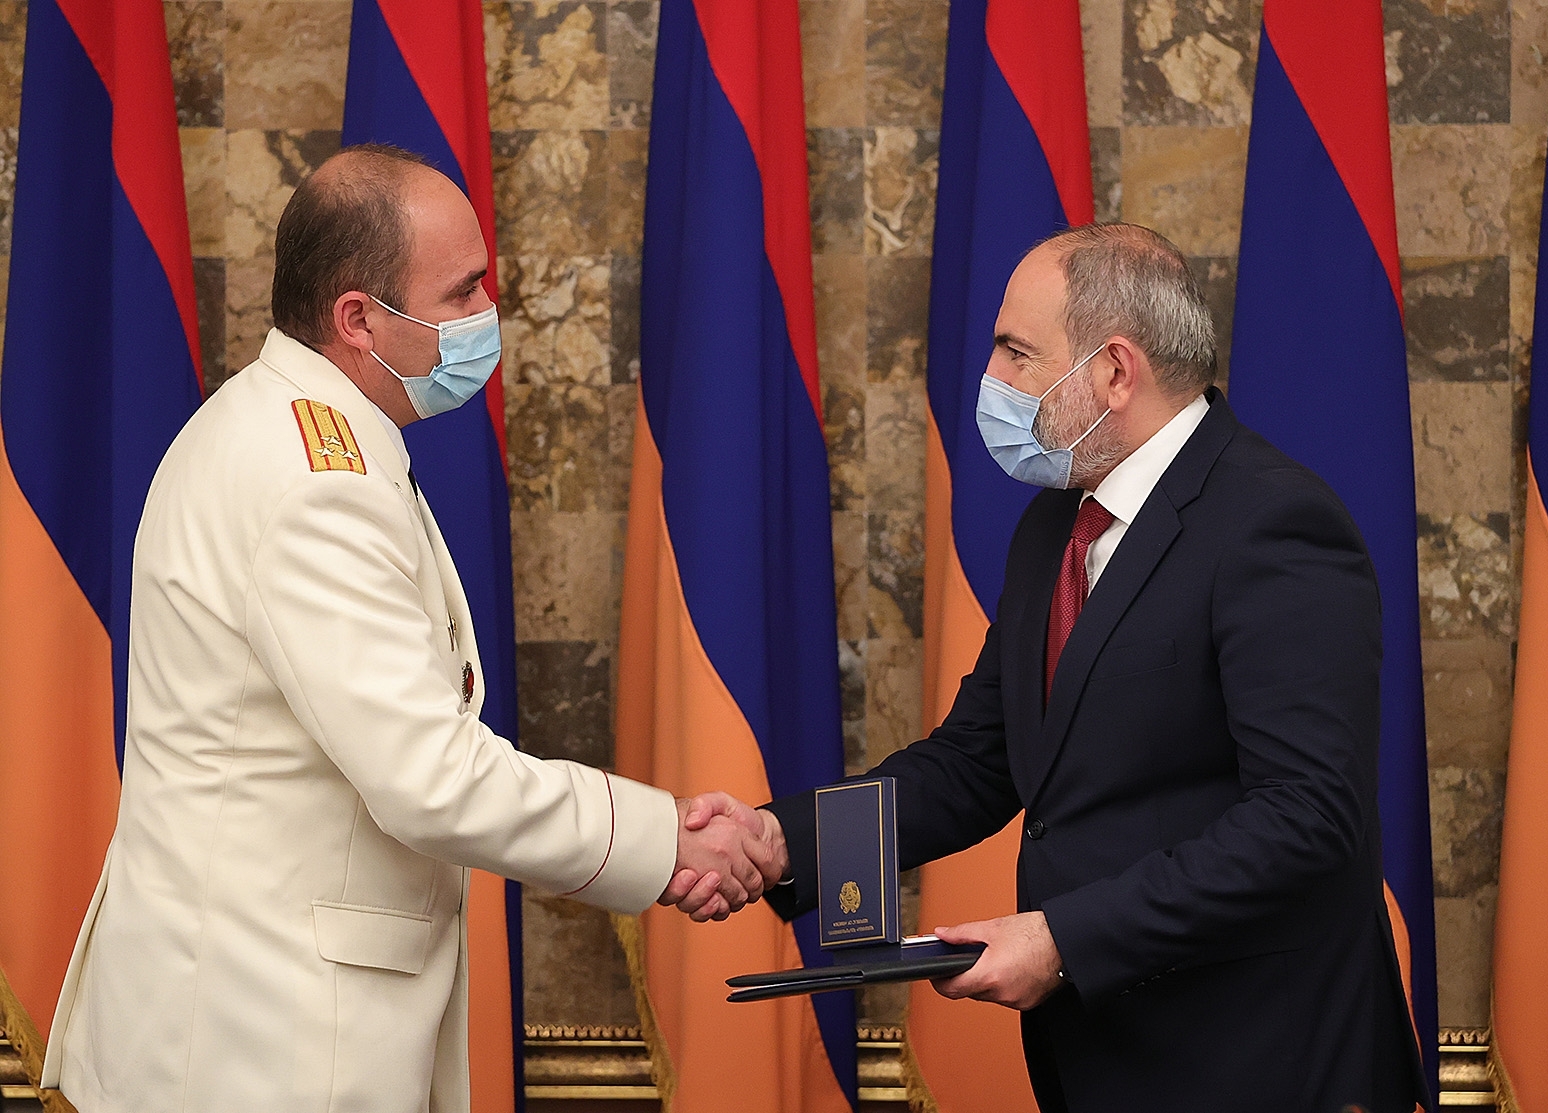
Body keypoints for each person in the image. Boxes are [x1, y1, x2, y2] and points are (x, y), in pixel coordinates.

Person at [40, 144, 772, 1113]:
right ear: (358, 319)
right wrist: (662, 840)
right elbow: (430, 777)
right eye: (462, 292)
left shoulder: (284, 426)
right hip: (260, 1044)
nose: (487, 314)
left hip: (251, 1017)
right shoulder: (316, 482)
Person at [681, 223, 1429, 1111]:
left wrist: (1062, 939)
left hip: (1259, 1059)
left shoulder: (1274, 522)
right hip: (1103, 1059)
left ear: (1114, 372)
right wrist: (780, 841)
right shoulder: (1057, 523)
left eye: (1016, 352)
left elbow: (1307, 817)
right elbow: (977, 759)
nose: (991, 379)